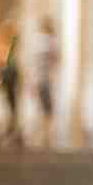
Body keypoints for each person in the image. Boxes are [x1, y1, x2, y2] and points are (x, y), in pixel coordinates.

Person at [0, 19, 22, 147]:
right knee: (12, 104)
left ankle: (11, 128)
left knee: (10, 103)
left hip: (8, 74)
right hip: (12, 74)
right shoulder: (11, 42)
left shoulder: (2, 43)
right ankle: (12, 128)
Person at [32, 16, 59, 147]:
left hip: (39, 79)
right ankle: (45, 136)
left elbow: (33, 63)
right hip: (46, 79)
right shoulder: (51, 41)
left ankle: (42, 136)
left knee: (42, 108)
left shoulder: (37, 41)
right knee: (47, 109)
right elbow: (56, 59)